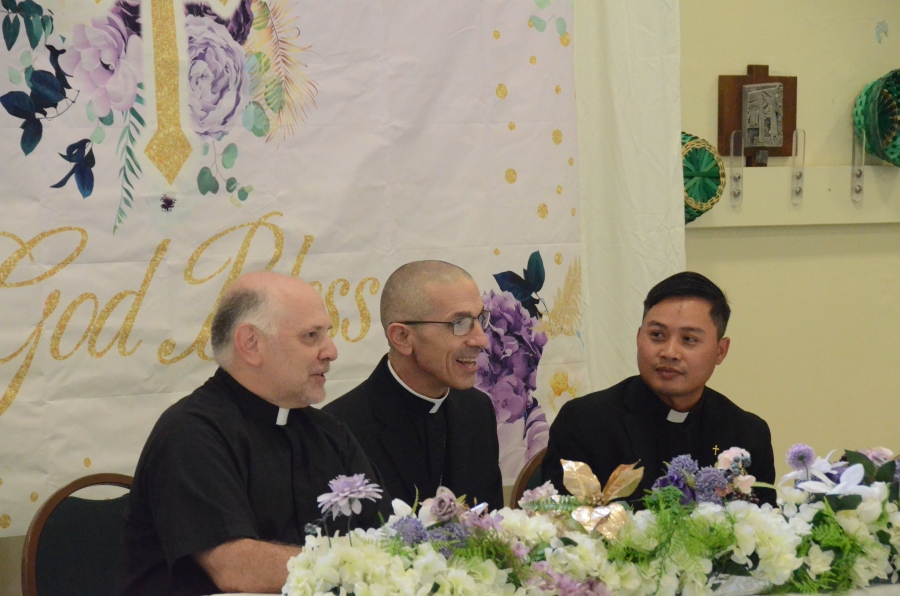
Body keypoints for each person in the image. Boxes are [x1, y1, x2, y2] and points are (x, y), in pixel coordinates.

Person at [118, 272, 391, 596]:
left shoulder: (331, 434)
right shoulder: (191, 434)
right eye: (310, 336)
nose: (330, 351)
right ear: (251, 344)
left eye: (326, 335)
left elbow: (386, 539)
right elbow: (236, 569)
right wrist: (360, 567)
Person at [543, 271, 776, 506]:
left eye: (689, 339)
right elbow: (563, 526)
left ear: (720, 351)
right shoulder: (584, 422)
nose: (669, 352)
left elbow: (761, 529)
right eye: (657, 335)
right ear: (638, 337)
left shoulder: (747, 434)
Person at [324, 261, 504, 510]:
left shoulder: (476, 409)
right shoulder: (339, 429)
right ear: (403, 337)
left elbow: (490, 524)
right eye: (459, 323)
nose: (481, 339)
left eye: (480, 319)